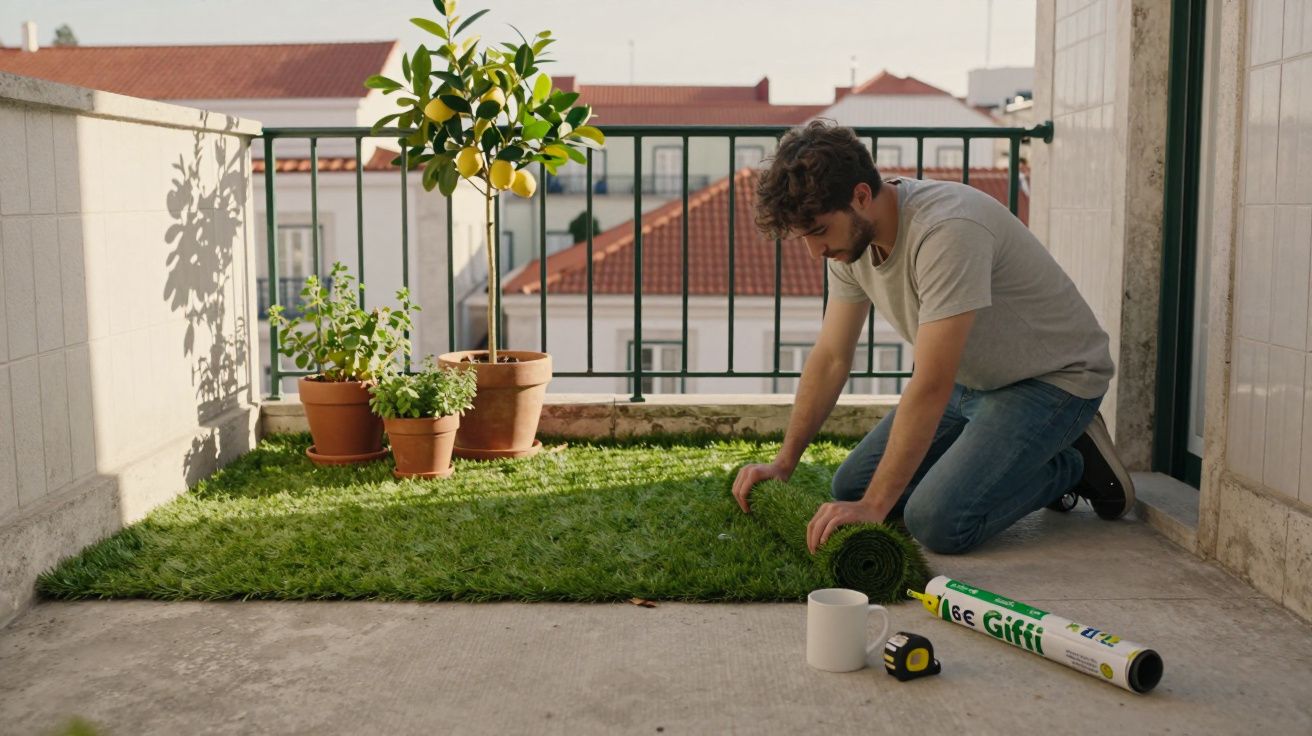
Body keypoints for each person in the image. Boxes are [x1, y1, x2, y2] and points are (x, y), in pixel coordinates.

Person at [731, 119, 1134, 556]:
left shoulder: (947, 230)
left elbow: (931, 383)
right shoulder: (851, 240)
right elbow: (831, 357)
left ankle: (1070, 462)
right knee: (851, 485)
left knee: (937, 521)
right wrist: (784, 463)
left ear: (861, 196)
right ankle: (1003, 456)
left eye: (819, 232)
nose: (815, 252)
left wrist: (873, 506)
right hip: (972, 381)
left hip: (1051, 381)